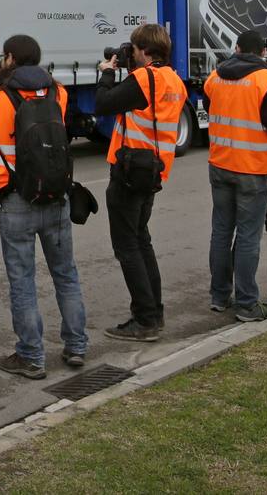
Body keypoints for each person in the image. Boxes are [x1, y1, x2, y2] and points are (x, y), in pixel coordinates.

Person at [0, 34, 89, 378]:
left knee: (23, 281)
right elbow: (69, 130)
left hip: (15, 199)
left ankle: (31, 356)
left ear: (10, 59)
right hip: (56, 196)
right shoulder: (58, 92)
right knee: (66, 274)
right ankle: (76, 346)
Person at [203, 30, 267, 322]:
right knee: (248, 236)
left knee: (221, 231)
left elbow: (211, 108)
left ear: (237, 49)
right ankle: (247, 304)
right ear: (263, 52)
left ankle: (219, 296)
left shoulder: (215, 77)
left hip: (220, 164)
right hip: (251, 168)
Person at [95, 23, 186, 342]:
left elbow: (103, 103)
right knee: (141, 241)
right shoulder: (173, 80)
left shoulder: (145, 79)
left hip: (129, 171)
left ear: (144, 51)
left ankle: (145, 319)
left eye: (133, 49)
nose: (129, 53)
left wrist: (107, 72)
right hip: (153, 170)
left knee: (128, 246)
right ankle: (153, 313)